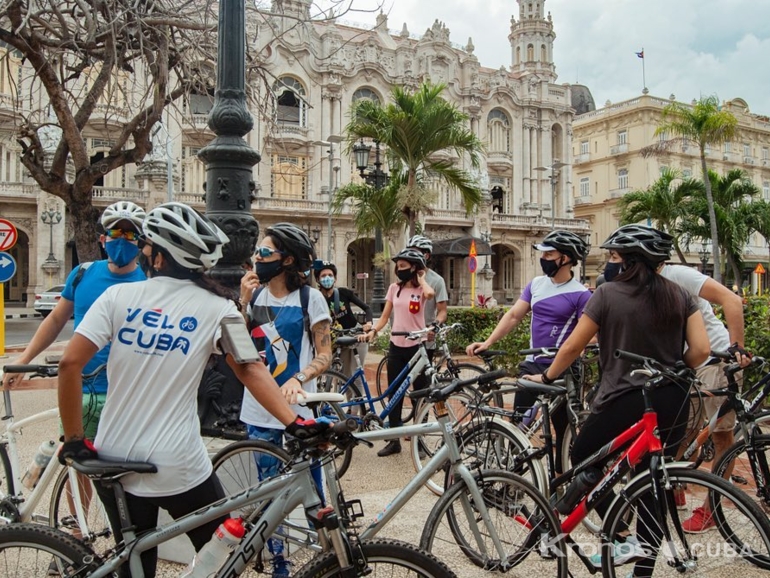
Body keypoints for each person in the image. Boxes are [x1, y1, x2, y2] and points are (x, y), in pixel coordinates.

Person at [56, 203, 328, 578]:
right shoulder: (219, 308)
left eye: (148, 244)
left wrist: (73, 440)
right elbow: (251, 370)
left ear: (159, 256)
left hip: (113, 455)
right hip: (177, 464)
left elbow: (69, 364)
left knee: (135, 565)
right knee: (224, 555)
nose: (143, 250)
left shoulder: (119, 298)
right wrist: (295, 422)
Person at [527, 225, 710, 577]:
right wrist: (670, 369)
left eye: (613, 257)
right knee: (652, 484)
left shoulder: (607, 293)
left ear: (629, 261)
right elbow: (701, 350)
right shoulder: (680, 295)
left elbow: (573, 346)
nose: (609, 263)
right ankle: (641, 570)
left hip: (624, 398)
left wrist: (548, 376)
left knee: (582, 458)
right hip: (674, 399)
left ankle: (619, 530)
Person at [3, 200, 147, 440]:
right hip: (82, 390)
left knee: (128, 470)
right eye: (115, 232)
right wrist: (24, 359)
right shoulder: (82, 274)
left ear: (140, 242)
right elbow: (56, 320)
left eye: (130, 233)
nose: (122, 239)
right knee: (77, 466)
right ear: (103, 239)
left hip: (131, 393)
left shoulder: (150, 282)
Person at [240, 223, 332, 577]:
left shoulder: (310, 299)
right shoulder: (255, 297)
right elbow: (235, 344)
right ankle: (280, 561)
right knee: (269, 492)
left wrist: (299, 378)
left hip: (298, 410)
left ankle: (327, 555)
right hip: (257, 411)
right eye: (257, 253)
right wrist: (243, 302)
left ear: (287, 259)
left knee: (313, 487)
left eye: (265, 254)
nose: (257, 260)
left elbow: (324, 354)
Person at [465, 230, 591, 472]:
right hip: (532, 363)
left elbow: (584, 335)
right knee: (517, 423)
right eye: (543, 253)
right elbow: (513, 316)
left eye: (549, 254)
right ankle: (508, 472)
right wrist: (488, 342)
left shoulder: (581, 294)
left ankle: (560, 478)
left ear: (565, 258)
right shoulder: (536, 285)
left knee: (563, 431)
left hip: (564, 370)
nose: (544, 258)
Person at [658, 260, 752, 531]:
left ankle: (712, 508)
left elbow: (731, 300)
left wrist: (738, 347)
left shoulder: (678, 274)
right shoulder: (641, 282)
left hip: (716, 360)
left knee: (722, 435)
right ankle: (675, 489)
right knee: (679, 431)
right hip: (684, 365)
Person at [360, 248, 435, 457]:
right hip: (396, 345)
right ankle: (394, 440)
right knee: (396, 393)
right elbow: (385, 317)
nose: (399, 270)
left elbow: (430, 294)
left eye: (403, 266)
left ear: (414, 267)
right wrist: (375, 330)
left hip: (416, 346)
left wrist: (422, 278)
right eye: (398, 266)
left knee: (420, 394)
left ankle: (419, 441)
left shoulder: (422, 289)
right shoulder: (394, 288)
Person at [314, 260, 373, 376]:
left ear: (335, 278)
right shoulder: (316, 298)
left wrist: (369, 323)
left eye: (330, 275)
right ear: (318, 280)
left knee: (357, 373)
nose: (327, 278)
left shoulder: (343, 293)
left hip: (357, 335)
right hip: (338, 340)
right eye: (323, 276)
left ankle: (358, 395)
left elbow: (367, 308)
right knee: (345, 375)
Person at [406, 235, 448, 352]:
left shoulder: (437, 280)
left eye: (414, 252)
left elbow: (442, 311)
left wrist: (433, 327)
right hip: (405, 337)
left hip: (426, 337)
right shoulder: (404, 278)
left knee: (426, 370)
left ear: (426, 255)